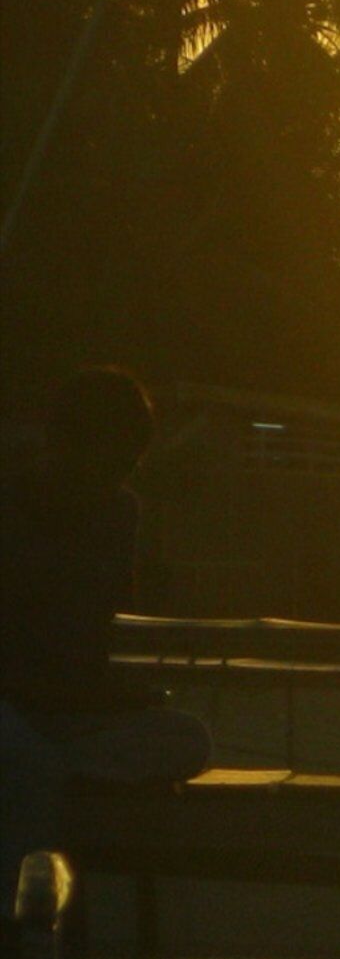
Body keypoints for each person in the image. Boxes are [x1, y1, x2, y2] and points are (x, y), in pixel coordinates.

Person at [1, 367, 213, 874]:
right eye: (112, 461)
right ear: (65, 445)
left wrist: (108, 695)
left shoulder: (119, 513)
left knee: (187, 739)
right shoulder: (10, 509)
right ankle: (20, 903)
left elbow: (94, 631)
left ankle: (56, 767)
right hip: (15, 704)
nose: (119, 477)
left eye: (128, 464)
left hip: (63, 710)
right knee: (31, 763)